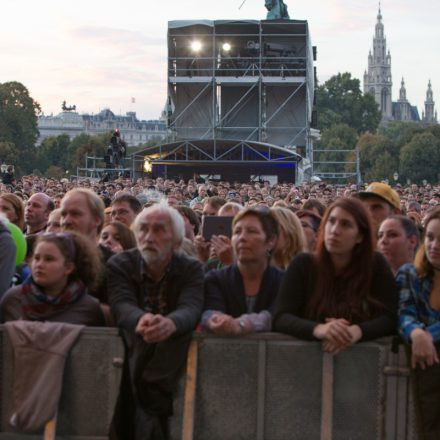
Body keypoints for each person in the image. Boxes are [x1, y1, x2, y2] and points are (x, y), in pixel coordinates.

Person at [107, 202, 204, 439]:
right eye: (143, 230)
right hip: (130, 356)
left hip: (172, 366)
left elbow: (191, 306)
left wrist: (171, 323)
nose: (149, 237)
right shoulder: (120, 264)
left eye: (159, 230)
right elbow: (121, 303)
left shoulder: (191, 268)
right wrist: (140, 320)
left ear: (178, 242)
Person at [274, 198, 397, 353]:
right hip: (306, 365)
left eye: (345, 224)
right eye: (331, 222)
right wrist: (320, 329)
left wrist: (356, 332)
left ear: (360, 236)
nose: (335, 230)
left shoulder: (375, 265)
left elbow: (391, 317)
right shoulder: (303, 265)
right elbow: (281, 317)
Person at [202, 207, 283, 335]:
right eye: (237, 232)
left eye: (252, 231)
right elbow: (208, 309)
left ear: (271, 241)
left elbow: (279, 314)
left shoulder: (284, 281)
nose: (242, 238)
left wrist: (243, 324)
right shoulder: (215, 279)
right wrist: (215, 319)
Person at [397, 207, 440, 438]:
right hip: (424, 380)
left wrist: (427, 336)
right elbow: (404, 312)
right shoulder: (409, 274)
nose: (434, 245)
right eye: (431, 237)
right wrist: (415, 334)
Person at [0, 232, 105, 326]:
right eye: (36, 258)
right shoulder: (13, 300)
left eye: (49, 259)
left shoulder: (88, 309)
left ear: (68, 267)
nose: (39, 265)